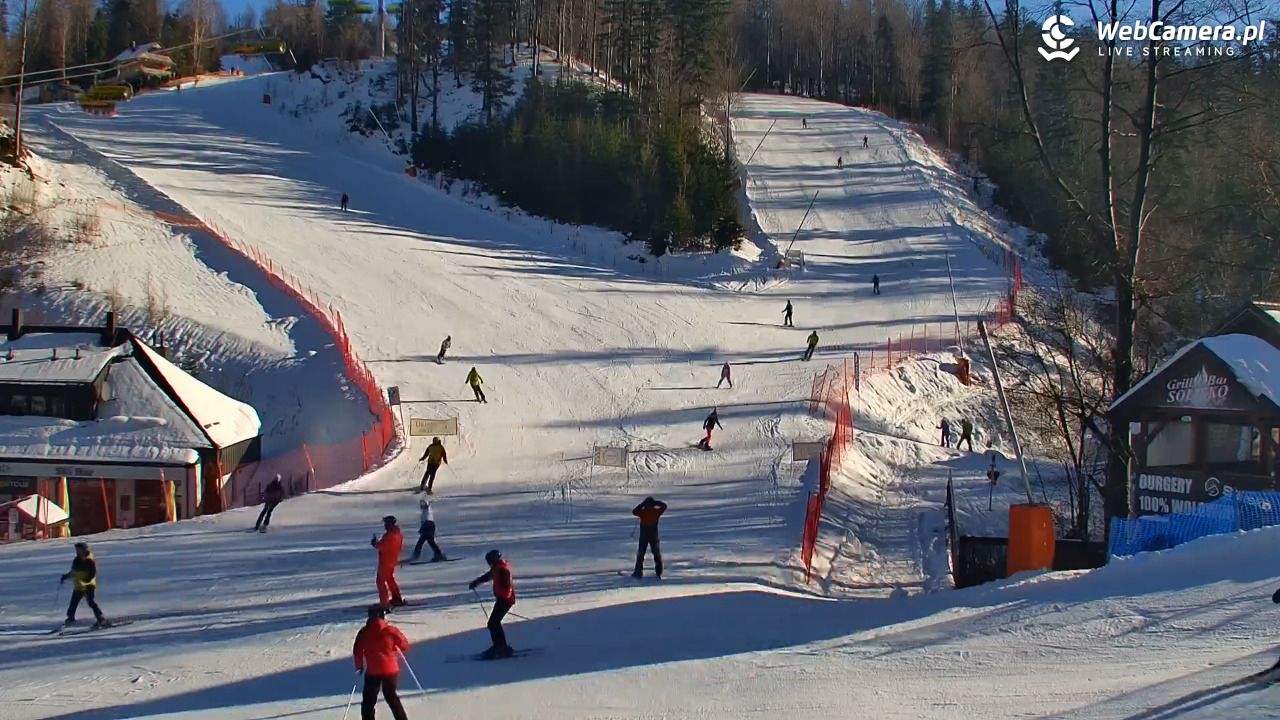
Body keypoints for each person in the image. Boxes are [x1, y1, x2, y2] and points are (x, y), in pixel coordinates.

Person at [353, 604, 410, 720]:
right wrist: (394, 646)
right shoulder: (391, 631)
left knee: (369, 701)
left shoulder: (364, 633)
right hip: (391, 670)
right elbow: (404, 645)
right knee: (391, 697)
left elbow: (357, 650)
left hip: (373, 671)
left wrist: (359, 666)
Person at [468, 549, 516, 659]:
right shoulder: (497, 567)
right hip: (503, 599)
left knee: (493, 623)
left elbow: (507, 585)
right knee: (494, 623)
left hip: (505, 600)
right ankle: (501, 646)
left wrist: (504, 598)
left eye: (489, 561)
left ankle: (500, 647)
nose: (489, 564)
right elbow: (488, 575)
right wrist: (477, 582)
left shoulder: (503, 569)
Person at [61, 542, 108, 627]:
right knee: (73, 602)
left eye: (79, 549)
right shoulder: (76, 560)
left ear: (84, 550)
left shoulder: (89, 560)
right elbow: (74, 572)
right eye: (76, 550)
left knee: (90, 602)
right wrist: (66, 576)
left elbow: (92, 573)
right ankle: (70, 618)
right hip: (79, 585)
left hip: (88, 585)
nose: (77, 551)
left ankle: (100, 618)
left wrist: (87, 580)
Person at [371, 516, 406, 608]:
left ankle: (384, 603)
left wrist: (375, 543)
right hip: (392, 560)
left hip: (386, 561)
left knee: (380, 581)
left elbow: (382, 546)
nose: (385, 526)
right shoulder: (398, 534)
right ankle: (396, 598)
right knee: (390, 579)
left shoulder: (389, 535)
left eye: (386, 523)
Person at [632, 497, 667, 578]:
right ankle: (659, 572)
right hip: (654, 534)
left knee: (641, 554)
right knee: (656, 553)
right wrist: (656, 502)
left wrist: (642, 504)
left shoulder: (643, 512)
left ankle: (638, 573)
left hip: (644, 535)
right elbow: (664, 506)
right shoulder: (656, 511)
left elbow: (634, 511)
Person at [410, 498, 446, 562]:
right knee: (427, 542)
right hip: (427, 526)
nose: (421, 506)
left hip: (429, 525)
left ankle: (416, 556)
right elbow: (423, 520)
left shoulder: (428, 509)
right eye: (420, 504)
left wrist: (425, 500)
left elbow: (428, 503)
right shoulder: (424, 511)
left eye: (422, 504)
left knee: (426, 542)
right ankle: (438, 554)